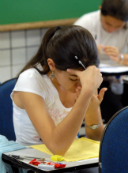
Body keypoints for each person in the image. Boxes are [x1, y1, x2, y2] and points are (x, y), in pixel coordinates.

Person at [11, 25, 106, 156]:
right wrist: (85, 96)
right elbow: (57, 148)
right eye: (73, 78)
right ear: (52, 65)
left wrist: (92, 111)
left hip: (72, 160)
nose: (80, 85)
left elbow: (96, 141)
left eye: (84, 80)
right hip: (32, 162)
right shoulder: (30, 80)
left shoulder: (86, 80)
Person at [74, 0, 128, 66]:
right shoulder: (85, 22)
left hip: (119, 73)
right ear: (100, 10)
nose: (111, 30)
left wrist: (120, 57)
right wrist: (88, 54)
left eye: (118, 26)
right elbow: (68, 55)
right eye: (107, 24)